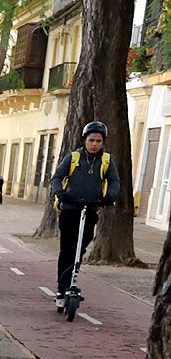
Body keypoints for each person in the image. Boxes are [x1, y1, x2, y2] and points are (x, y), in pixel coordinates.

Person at [49, 121, 123, 301]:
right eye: (91, 140)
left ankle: (72, 281)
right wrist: (60, 192)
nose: (95, 144)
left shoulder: (106, 161)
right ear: (85, 140)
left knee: (80, 248)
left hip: (90, 209)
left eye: (98, 141)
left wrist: (110, 196)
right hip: (70, 208)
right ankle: (62, 286)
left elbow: (115, 181)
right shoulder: (73, 158)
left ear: (103, 142)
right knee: (67, 249)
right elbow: (57, 177)